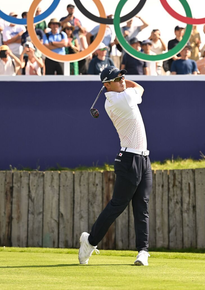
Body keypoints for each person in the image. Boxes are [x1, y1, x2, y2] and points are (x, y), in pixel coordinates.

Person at [78, 66, 152, 266]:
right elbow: (141, 88)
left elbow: (135, 87)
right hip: (129, 159)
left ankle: (143, 252)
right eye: (117, 79)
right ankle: (90, 241)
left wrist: (120, 80)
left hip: (143, 158)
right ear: (106, 85)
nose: (122, 80)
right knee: (118, 205)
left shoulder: (120, 94)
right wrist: (123, 84)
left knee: (142, 206)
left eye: (122, 77)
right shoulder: (120, 100)